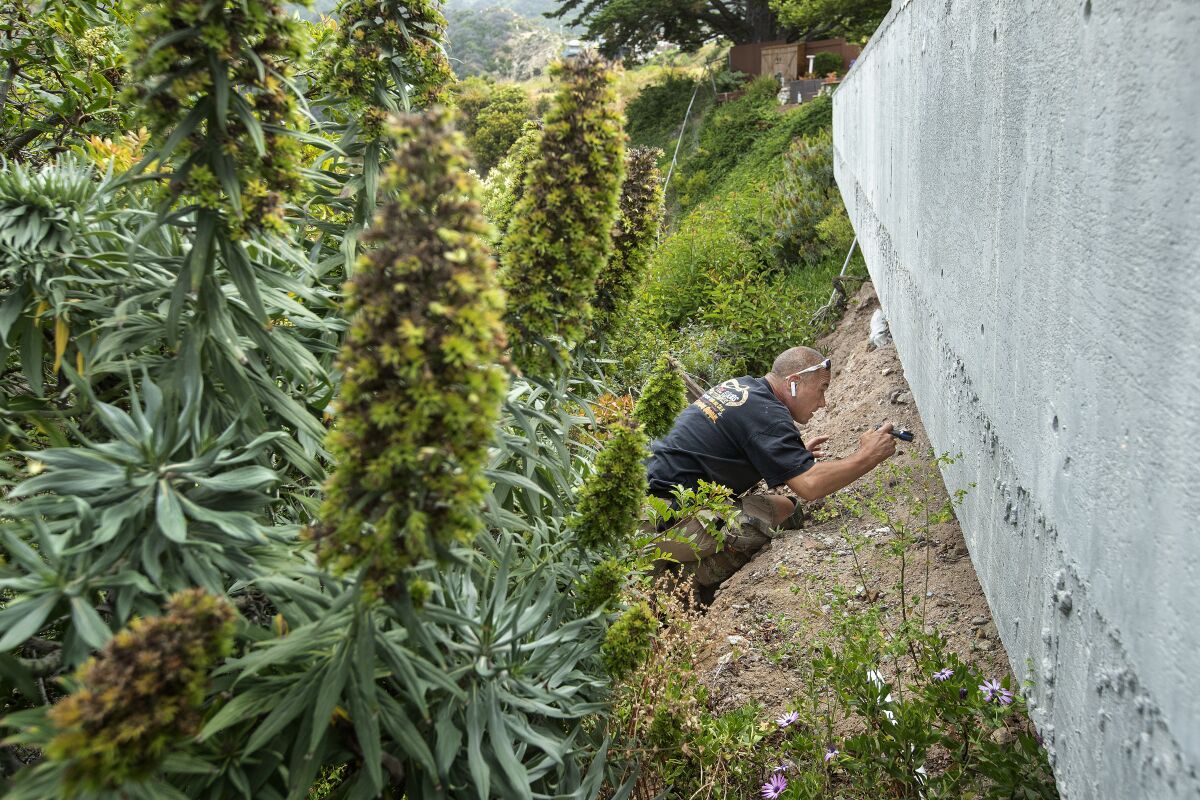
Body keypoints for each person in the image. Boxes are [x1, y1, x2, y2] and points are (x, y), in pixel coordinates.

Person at [645, 346, 898, 590]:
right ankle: (679, 584)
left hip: (642, 506)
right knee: (784, 510)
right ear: (794, 382)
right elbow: (810, 486)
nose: (823, 403)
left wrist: (784, 460)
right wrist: (868, 456)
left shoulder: (743, 387)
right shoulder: (768, 415)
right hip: (662, 522)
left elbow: (726, 445)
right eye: (822, 389)